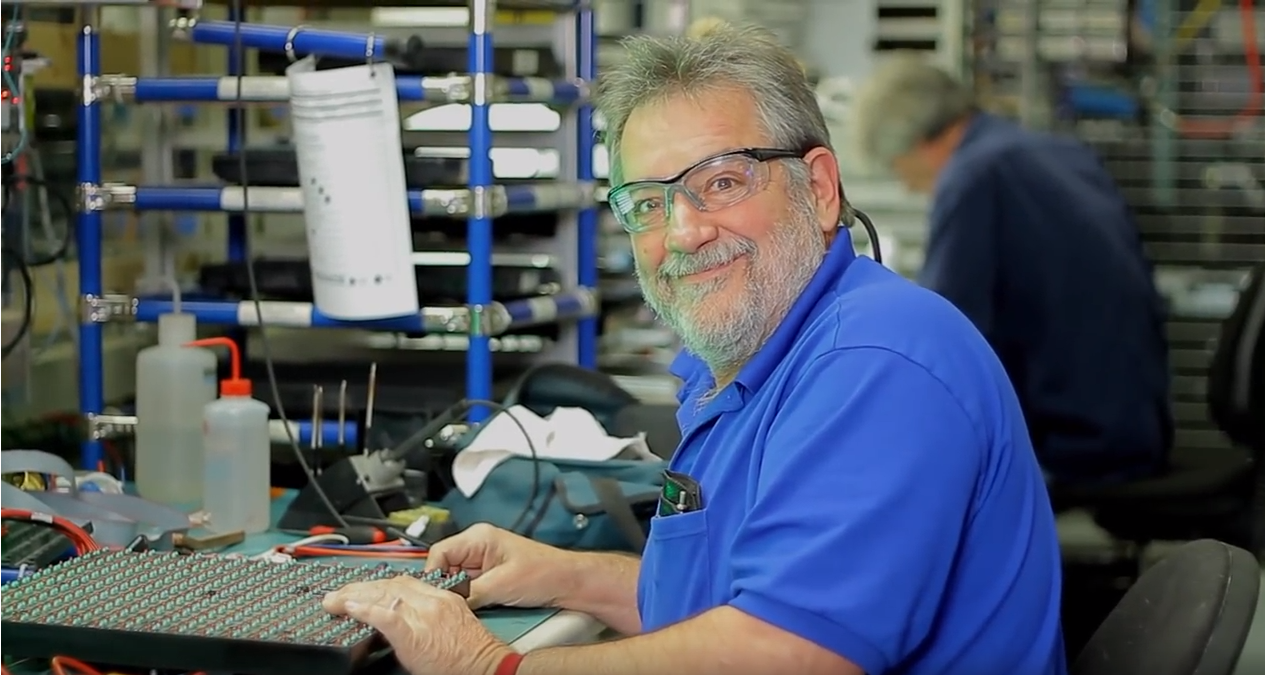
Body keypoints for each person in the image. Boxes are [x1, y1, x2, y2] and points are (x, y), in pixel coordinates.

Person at [321, 23, 1067, 675]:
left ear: (820, 186)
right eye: (647, 202)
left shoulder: (876, 364)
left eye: (721, 180)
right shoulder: (754, 358)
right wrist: (569, 575)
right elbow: (736, 599)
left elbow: (785, 651)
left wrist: (493, 664)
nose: (682, 232)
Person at [850, 55, 1173, 488]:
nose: (906, 186)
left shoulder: (975, 176)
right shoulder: (1050, 151)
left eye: (897, 169)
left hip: (1076, 443)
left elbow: (940, 336)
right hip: (1132, 423)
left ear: (917, 140)